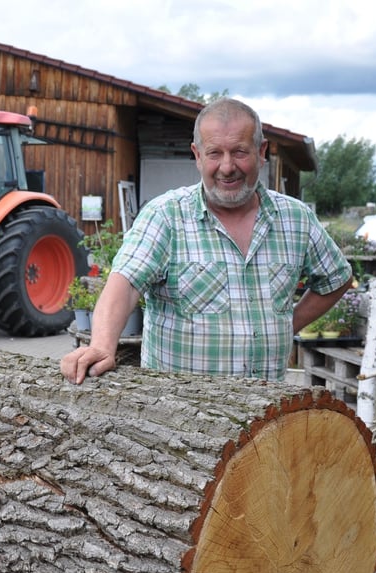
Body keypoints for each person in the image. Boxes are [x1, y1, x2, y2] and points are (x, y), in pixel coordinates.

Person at [60, 98, 353, 384]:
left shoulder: (295, 218)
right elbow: (124, 286)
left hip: (266, 415)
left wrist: (287, 324)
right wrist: (101, 345)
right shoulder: (166, 215)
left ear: (261, 151)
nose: (227, 167)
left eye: (239, 151)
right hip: (183, 417)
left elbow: (336, 278)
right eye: (214, 153)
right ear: (197, 155)